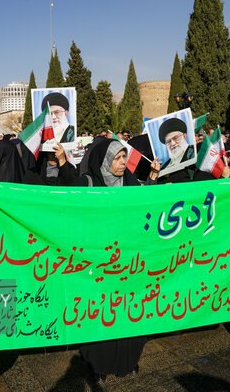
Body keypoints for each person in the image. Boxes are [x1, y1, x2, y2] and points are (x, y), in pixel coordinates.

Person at [74, 139, 159, 383]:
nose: (124, 163)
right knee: (101, 311)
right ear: (103, 161)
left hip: (128, 261)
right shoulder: (86, 183)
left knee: (128, 311)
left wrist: (152, 178)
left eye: (124, 157)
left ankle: (128, 360)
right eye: (118, 158)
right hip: (97, 262)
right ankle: (98, 364)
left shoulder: (129, 181)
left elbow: (146, 205)